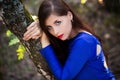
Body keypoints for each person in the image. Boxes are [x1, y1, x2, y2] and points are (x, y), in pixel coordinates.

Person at [23, 0, 116, 80]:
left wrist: (45, 42)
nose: (55, 31)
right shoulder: (68, 38)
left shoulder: (84, 41)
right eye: (49, 27)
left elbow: (64, 78)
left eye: (58, 22)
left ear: (69, 15)